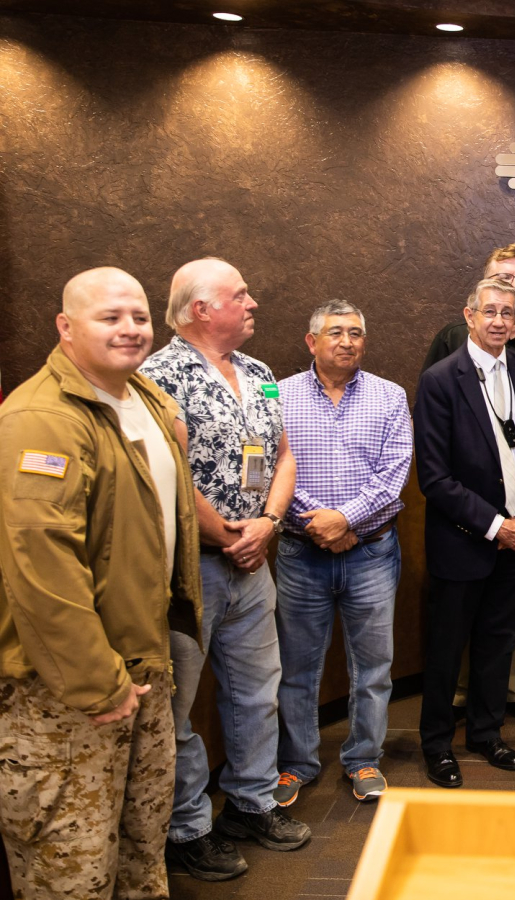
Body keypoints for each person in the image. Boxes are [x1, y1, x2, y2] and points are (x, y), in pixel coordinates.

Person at [0, 268, 200, 899]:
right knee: (72, 869)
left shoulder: (147, 401)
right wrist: (96, 682)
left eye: (139, 317)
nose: (130, 329)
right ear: (66, 327)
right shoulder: (41, 418)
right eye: (109, 318)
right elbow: (41, 567)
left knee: (143, 853)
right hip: (67, 693)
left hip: (143, 665)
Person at [141, 258, 309, 882]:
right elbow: (168, 476)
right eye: (240, 295)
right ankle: (187, 827)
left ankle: (251, 802)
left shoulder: (261, 374)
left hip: (255, 557)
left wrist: (266, 523)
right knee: (177, 706)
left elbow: (281, 454)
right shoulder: (157, 376)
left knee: (256, 691)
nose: (253, 302)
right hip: (193, 570)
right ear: (201, 309)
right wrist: (227, 536)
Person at [414, 279, 515, 787]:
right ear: (468, 315)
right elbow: (434, 476)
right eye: (488, 311)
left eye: (508, 313)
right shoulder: (439, 380)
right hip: (463, 540)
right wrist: (496, 526)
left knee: (499, 642)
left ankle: (485, 732)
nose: (498, 320)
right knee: (447, 647)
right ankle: (436, 745)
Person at [274, 301, 413, 805]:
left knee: (373, 668)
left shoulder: (389, 396)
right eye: (335, 333)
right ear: (312, 342)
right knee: (296, 669)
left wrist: (346, 521)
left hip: (371, 553)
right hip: (300, 554)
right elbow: (273, 471)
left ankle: (363, 760)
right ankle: (296, 763)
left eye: (356, 333)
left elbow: (395, 472)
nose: (347, 342)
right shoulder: (278, 396)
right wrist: (323, 525)